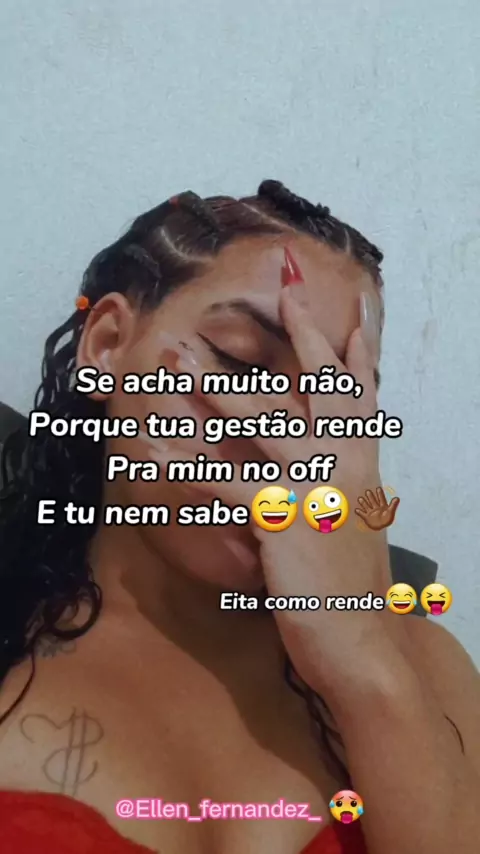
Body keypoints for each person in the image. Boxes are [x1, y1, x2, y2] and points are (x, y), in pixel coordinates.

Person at [0, 180, 478, 854]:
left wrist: (366, 664)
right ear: (108, 344)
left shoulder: (424, 668)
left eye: (335, 398)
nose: (290, 436)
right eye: (242, 359)